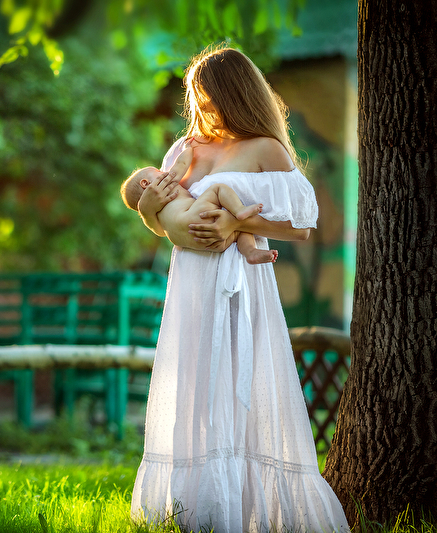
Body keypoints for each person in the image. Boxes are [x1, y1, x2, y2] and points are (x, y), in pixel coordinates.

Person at [129, 45, 349, 532]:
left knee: (239, 385)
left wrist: (234, 224)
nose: (202, 110)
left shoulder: (264, 148)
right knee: (197, 386)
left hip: (241, 282)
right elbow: (166, 218)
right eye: (196, 99)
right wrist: (148, 213)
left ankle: (249, 510)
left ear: (235, 94)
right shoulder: (186, 148)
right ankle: (195, 512)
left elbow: (301, 227)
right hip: (190, 283)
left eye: (209, 99)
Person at [120, 142, 278, 265]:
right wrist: (189, 148)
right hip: (194, 216)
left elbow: (159, 232)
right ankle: (240, 211)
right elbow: (181, 165)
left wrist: (145, 212)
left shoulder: (156, 218)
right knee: (218, 190)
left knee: (239, 231)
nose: (162, 171)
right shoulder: (166, 182)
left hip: (201, 242)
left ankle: (251, 253)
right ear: (145, 183)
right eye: (156, 170)